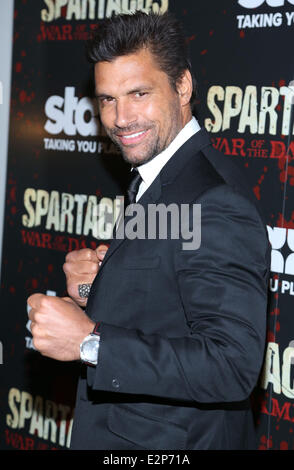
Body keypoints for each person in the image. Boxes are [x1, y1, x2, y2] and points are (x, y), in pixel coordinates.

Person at [28, 11, 270, 450]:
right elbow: (166, 306)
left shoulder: (214, 200)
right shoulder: (158, 174)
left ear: (182, 86)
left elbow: (231, 365)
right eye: (106, 99)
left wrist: (88, 342)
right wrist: (93, 292)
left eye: (138, 93)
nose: (121, 118)